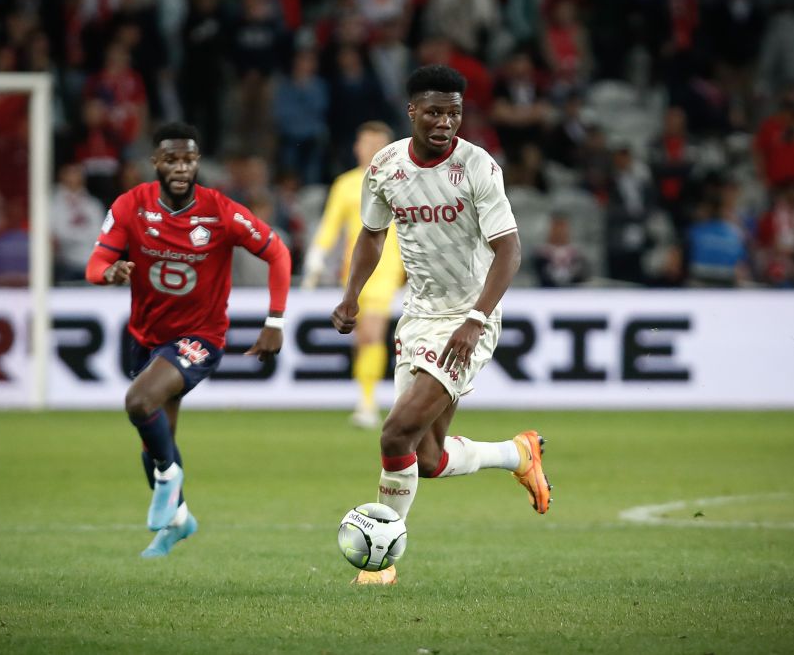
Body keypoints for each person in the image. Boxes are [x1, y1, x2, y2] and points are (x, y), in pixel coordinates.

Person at [331, 65, 552, 586]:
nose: (445, 122)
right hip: (420, 315)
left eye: (453, 112)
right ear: (412, 112)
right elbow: (370, 235)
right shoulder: (386, 166)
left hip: (469, 319)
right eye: (433, 111)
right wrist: (350, 295)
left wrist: (475, 320)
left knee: (395, 430)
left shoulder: (478, 167)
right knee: (425, 457)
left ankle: (380, 562)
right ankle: (516, 453)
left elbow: (509, 251)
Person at [85, 122, 291, 558]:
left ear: (198, 163)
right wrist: (110, 272)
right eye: (172, 159)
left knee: (139, 403)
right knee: (154, 436)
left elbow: (278, 252)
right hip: (147, 336)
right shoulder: (131, 206)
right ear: (156, 162)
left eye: (189, 159)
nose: (181, 167)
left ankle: (167, 479)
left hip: (200, 337)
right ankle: (179, 520)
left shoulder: (221, 211)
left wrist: (275, 321)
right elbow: (96, 262)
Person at [304, 121, 404, 428]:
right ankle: (369, 396)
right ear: (356, 147)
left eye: (378, 143)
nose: (371, 149)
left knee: (372, 332)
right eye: (366, 143)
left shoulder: (402, 182)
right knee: (362, 339)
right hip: (355, 274)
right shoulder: (345, 184)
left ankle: (368, 405)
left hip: (389, 270)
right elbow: (331, 224)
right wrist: (316, 257)